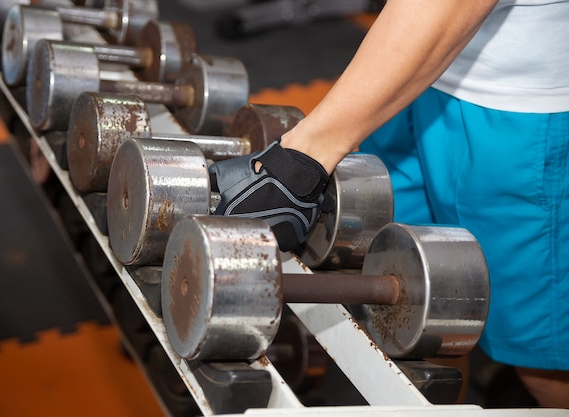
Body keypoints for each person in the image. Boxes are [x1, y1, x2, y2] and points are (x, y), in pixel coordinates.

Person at [208, 0, 569, 408]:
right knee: (417, 321)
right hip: (412, 80)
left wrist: (301, 161)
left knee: (544, 368)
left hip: (520, 114)